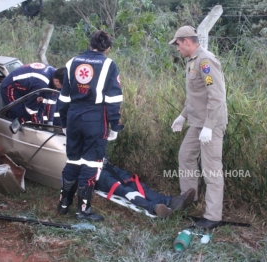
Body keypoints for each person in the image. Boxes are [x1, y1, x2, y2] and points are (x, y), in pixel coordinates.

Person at [57, 30, 123, 221]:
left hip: (73, 116)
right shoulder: (108, 64)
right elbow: (113, 98)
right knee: (91, 163)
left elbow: (64, 96)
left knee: (73, 161)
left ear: (90, 44)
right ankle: (83, 210)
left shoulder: (72, 62)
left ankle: (63, 204)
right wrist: (115, 124)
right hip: (95, 117)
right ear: (107, 48)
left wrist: (64, 121)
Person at [169, 26, 228, 229]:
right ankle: (188, 199)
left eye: (177, 44)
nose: (177, 49)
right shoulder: (192, 61)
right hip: (197, 123)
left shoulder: (205, 61)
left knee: (211, 169)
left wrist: (209, 127)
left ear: (187, 41)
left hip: (211, 124)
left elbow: (217, 96)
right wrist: (182, 116)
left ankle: (212, 216)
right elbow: (196, 97)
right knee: (185, 155)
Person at [96, 159, 196, 218]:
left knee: (136, 184)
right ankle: (154, 208)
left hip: (106, 166)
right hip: (96, 175)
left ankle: (170, 201)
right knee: (126, 190)